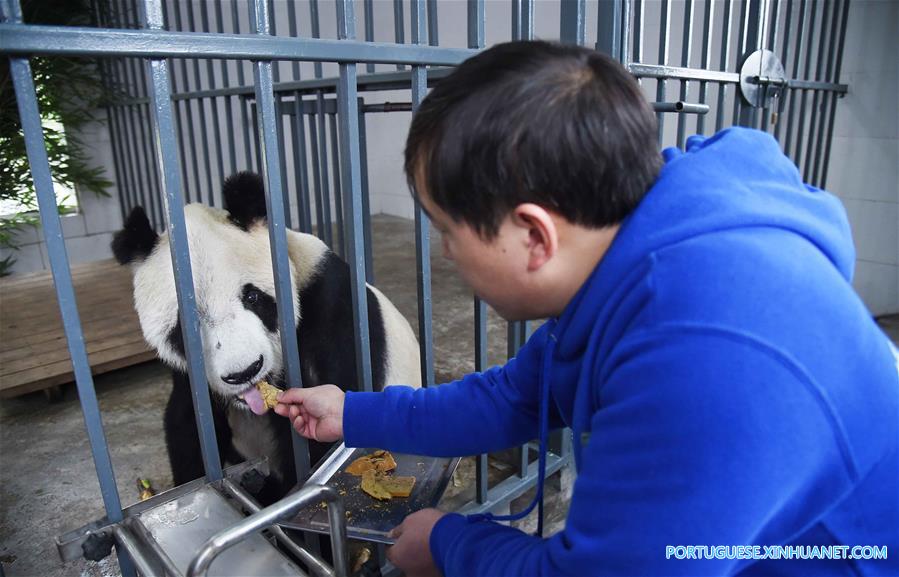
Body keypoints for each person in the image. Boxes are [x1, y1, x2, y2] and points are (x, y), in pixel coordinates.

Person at [275, 41, 899, 577]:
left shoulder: (703, 355)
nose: (443, 252)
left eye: (445, 230)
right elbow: (515, 398)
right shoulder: (641, 245)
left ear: (534, 236)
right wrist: (353, 412)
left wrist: (448, 542)